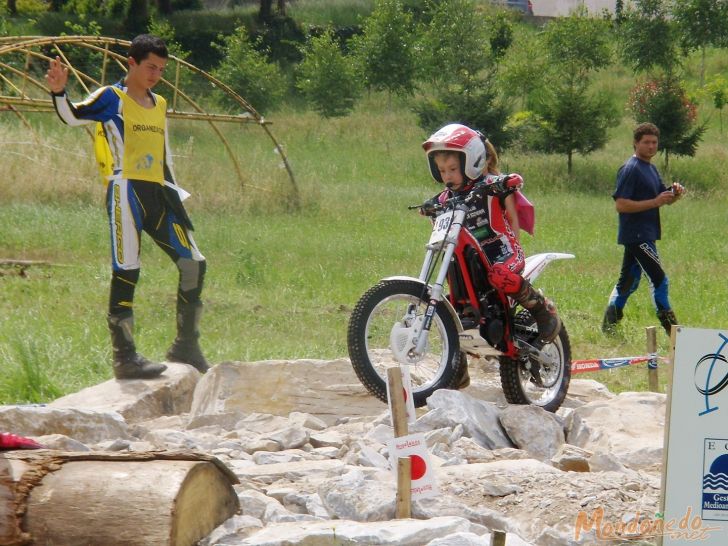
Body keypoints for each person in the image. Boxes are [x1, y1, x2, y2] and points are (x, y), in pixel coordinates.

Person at [45, 34, 209, 380]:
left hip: (159, 193)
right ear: (131, 63)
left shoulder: (160, 103)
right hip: (125, 192)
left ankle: (186, 345)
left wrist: (176, 198)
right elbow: (73, 117)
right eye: (150, 67)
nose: (156, 75)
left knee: (193, 263)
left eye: (161, 69)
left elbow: (165, 155)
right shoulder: (111, 97)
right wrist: (59, 92)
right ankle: (125, 356)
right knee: (127, 269)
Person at [422, 123, 561, 345]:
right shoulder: (446, 198)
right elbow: (436, 208)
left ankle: (543, 310)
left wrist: (507, 181)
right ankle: (455, 367)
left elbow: (507, 199)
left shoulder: (489, 185)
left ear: (471, 162)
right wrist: (427, 207)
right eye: (441, 170)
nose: (447, 175)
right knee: (451, 303)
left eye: (452, 169)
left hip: (502, 252)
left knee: (500, 275)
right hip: (472, 261)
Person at [602, 122, 685, 336]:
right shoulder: (630, 169)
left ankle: (609, 326)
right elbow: (621, 204)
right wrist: (656, 201)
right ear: (635, 143)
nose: (651, 146)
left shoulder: (650, 168)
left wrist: (674, 194)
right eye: (646, 142)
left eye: (654, 142)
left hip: (644, 234)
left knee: (628, 281)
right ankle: (673, 331)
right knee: (659, 280)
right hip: (637, 236)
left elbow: (662, 199)